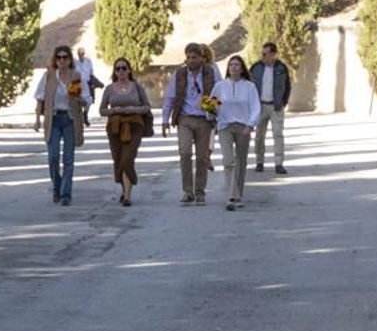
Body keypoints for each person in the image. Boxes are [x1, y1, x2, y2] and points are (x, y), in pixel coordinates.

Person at [161, 43, 219, 205]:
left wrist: (215, 114)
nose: (191, 60)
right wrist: (165, 120)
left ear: (202, 58)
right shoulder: (179, 74)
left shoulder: (210, 73)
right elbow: (170, 97)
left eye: (194, 57)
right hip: (185, 119)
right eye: (188, 57)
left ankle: (200, 192)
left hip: (204, 119)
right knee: (185, 153)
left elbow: (220, 93)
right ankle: (188, 191)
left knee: (202, 158)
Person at [34, 45, 89, 206]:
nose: (62, 60)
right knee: (53, 157)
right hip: (54, 119)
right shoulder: (49, 76)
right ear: (55, 60)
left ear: (70, 60)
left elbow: (86, 98)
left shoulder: (76, 76)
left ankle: (66, 194)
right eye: (59, 57)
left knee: (68, 159)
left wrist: (81, 99)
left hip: (70, 119)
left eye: (65, 57)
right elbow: (40, 98)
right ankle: (57, 187)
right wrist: (37, 119)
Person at [98, 57, 151, 206]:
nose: (121, 71)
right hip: (115, 126)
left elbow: (147, 107)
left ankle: (127, 195)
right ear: (115, 71)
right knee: (118, 159)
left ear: (129, 70)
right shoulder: (109, 89)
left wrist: (133, 109)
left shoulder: (136, 87)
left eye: (124, 68)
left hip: (134, 125)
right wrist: (113, 110)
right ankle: (125, 189)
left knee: (127, 158)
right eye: (118, 68)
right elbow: (102, 110)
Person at [211, 55, 262, 210]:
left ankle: (238, 194)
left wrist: (250, 125)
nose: (233, 67)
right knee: (228, 160)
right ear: (228, 68)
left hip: (243, 127)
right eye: (231, 64)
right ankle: (232, 195)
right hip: (225, 126)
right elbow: (212, 105)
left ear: (242, 68)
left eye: (237, 65)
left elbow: (255, 108)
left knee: (241, 162)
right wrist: (211, 111)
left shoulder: (249, 87)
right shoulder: (220, 86)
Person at [249, 41, 292, 174]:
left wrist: (283, 102)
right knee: (259, 136)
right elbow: (249, 86)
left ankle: (279, 164)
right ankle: (259, 162)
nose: (262, 56)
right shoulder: (256, 67)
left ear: (273, 54)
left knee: (278, 135)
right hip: (260, 106)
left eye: (265, 54)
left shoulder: (281, 68)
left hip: (276, 107)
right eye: (262, 53)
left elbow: (287, 86)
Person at [75, 47, 98, 125]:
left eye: (82, 54)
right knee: (78, 100)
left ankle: (85, 113)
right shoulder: (75, 62)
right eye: (79, 54)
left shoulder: (88, 61)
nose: (80, 55)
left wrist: (92, 82)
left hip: (87, 82)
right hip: (78, 83)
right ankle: (80, 117)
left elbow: (91, 72)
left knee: (90, 100)